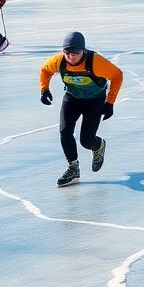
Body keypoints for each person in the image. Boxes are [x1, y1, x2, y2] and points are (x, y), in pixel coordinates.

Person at [38, 31, 123, 187]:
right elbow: (45, 70)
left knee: (86, 141)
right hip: (72, 98)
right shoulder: (58, 61)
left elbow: (117, 76)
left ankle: (98, 145)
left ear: (83, 51)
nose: (71, 57)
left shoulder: (95, 61)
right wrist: (44, 89)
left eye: (75, 53)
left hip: (94, 101)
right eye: (67, 53)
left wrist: (110, 103)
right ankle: (73, 168)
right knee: (65, 131)